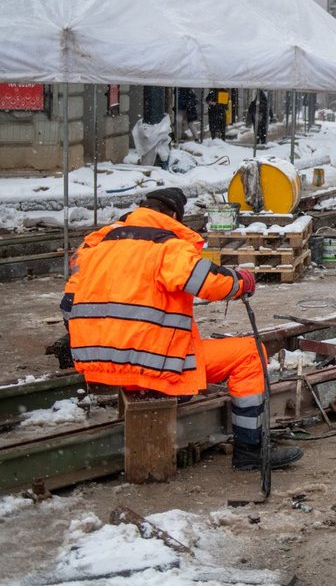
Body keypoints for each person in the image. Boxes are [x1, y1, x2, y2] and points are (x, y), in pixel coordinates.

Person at [60, 187, 303, 471]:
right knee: (250, 353)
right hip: (150, 366)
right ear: (173, 215)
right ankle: (250, 450)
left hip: (99, 364)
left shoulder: (94, 245)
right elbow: (207, 282)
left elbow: (68, 306)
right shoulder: (167, 245)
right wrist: (241, 282)